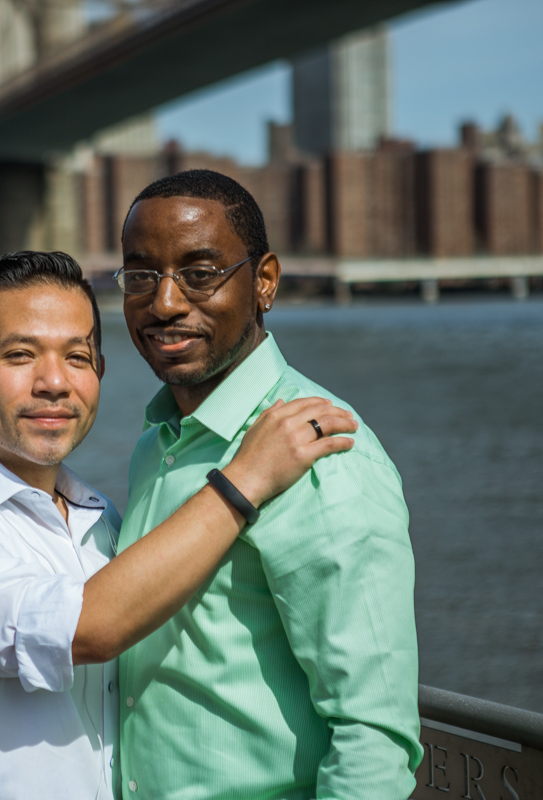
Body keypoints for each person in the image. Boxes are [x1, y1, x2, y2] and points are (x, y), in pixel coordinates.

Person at [0, 250, 357, 799]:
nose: (54, 382)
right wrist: (245, 480)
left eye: (77, 357)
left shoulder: (103, 520)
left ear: (100, 373)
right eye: (20, 355)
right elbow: (87, 629)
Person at [112, 169, 423, 799]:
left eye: (200, 274)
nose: (165, 303)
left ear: (264, 282)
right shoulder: (158, 442)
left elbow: (373, 735)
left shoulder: (327, 453)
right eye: (142, 276)